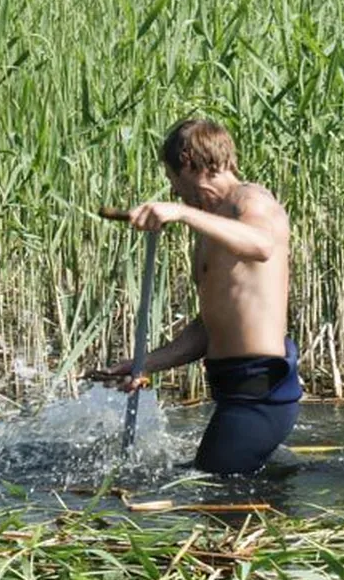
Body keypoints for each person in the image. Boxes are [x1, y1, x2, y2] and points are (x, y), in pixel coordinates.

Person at [96, 118, 301, 474]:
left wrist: (182, 213)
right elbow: (210, 327)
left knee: (209, 493)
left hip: (261, 393)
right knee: (203, 481)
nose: (175, 193)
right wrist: (146, 364)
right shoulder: (214, 225)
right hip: (234, 391)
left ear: (189, 162)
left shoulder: (251, 201)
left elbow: (263, 244)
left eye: (174, 181)